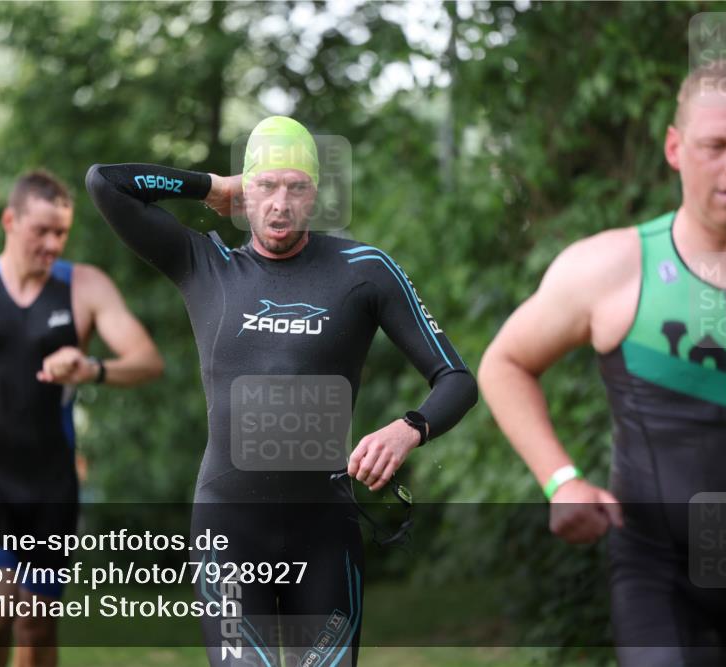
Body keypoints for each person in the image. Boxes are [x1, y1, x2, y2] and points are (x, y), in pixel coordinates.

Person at [86, 116, 477, 666]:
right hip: (228, 529)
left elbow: (457, 380)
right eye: (265, 186)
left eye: (297, 187)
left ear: (315, 194)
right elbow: (106, 182)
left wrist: (407, 429)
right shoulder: (207, 264)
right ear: (245, 190)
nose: (280, 203)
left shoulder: (363, 271)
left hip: (324, 533)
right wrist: (211, 187)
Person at [478, 59, 726, 667]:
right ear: (676, 148)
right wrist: (561, 480)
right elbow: (505, 362)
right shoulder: (610, 268)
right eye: (718, 146)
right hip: (662, 576)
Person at [0, 169, 164, 667]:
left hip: (52, 480)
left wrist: (91, 368)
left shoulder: (85, 286)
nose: (52, 243)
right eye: (40, 230)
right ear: (9, 220)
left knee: (38, 623)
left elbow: (147, 361)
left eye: (61, 232)